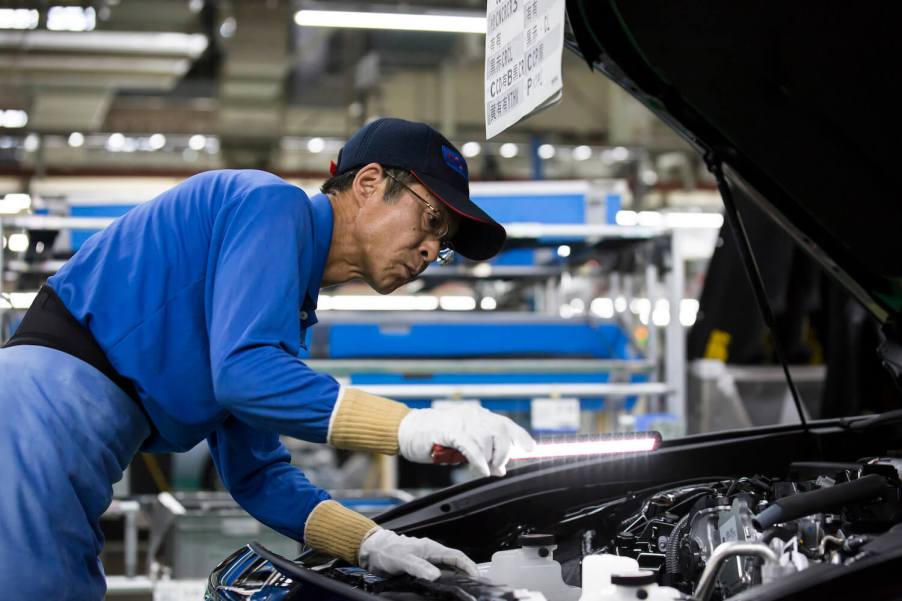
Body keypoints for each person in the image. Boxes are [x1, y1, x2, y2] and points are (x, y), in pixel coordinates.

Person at [0, 118, 536, 598]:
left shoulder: (280, 303)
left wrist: (373, 543)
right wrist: (411, 426)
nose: (429, 251)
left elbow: (256, 474)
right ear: (369, 183)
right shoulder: (269, 204)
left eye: (441, 246)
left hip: (63, 435)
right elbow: (244, 377)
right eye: (432, 220)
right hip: (38, 417)